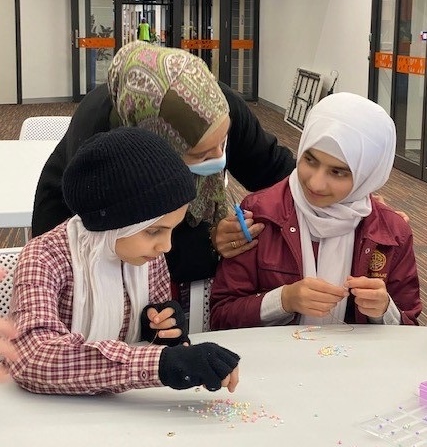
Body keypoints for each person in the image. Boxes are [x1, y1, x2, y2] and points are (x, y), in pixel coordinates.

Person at [31, 42, 295, 291]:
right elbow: (126, 242)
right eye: (201, 154)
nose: (219, 159)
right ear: (159, 146)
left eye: (223, 140)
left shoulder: (215, 104)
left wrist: (320, 188)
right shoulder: (104, 143)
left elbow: (274, 170)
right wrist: (209, 243)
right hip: (87, 237)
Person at [8, 127, 240, 395]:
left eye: (171, 229)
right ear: (114, 225)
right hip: (51, 416)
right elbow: (32, 358)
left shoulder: (146, 256)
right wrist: (160, 365)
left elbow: (154, 331)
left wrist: (160, 328)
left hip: (124, 408)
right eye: (154, 231)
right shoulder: (43, 258)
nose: (166, 246)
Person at [210, 92, 421, 330]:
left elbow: (408, 329)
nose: (315, 184)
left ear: (367, 175)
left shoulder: (392, 231)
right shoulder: (259, 215)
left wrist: (384, 309)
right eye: (309, 160)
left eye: (338, 172)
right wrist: (283, 300)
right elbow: (221, 317)